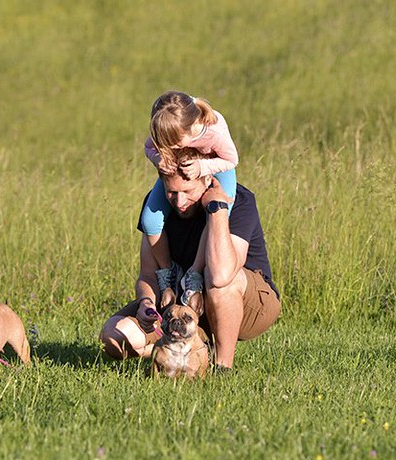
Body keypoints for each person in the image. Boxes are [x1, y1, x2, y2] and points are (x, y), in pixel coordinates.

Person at [99, 166, 281, 371]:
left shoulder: (239, 200)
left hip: (245, 302)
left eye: (188, 192)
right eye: (172, 192)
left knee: (219, 281)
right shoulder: (157, 207)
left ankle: (222, 367)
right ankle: (182, 353)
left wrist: (217, 210)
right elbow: (148, 274)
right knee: (113, 337)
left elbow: (223, 274)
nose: (179, 202)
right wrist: (146, 302)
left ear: (207, 181)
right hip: (183, 312)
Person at [141, 91, 239, 305]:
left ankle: (194, 273)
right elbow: (148, 148)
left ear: (189, 130)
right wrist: (158, 159)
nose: (169, 147)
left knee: (218, 213)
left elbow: (232, 160)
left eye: (173, 143)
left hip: (216, 165)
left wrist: (203, 167)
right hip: (180, 173)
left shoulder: (212, 134)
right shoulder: (169, 128)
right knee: (149, 219)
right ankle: (168, 272)